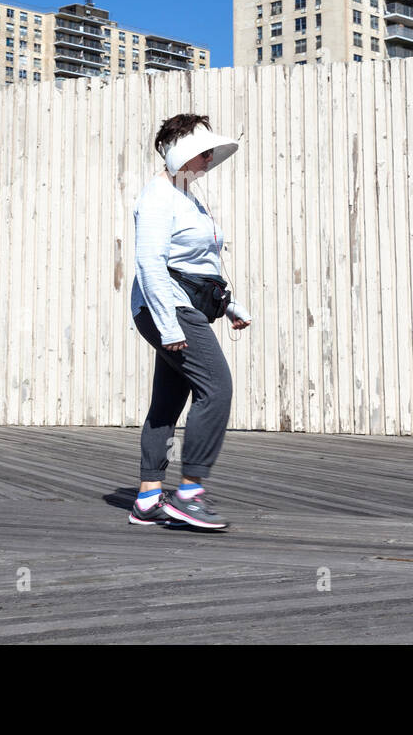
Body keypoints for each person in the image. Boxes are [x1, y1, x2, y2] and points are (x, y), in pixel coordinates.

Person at [127, 113, 251, 530]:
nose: (211, 156)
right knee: (217, 388)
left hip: (181, 308)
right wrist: (170, 325)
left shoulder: (186, 196)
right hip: (167, 310)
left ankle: (147, 498)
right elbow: (149, 262)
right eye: (203, 150)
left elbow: (198, 263)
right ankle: (190, 491)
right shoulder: (159, 197)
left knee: (167, 403)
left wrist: (228, 305)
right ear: (180, 152)